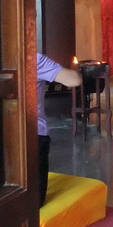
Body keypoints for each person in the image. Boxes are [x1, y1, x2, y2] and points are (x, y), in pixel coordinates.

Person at [36, 52, 81, 207]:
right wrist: (74, 69)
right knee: (35, 201)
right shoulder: (32, 58)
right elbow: (73, 80)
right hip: (33, 135)